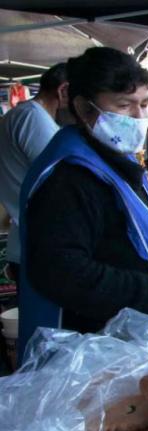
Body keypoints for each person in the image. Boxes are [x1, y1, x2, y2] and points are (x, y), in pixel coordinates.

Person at [17, 47, 148, 360]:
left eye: (144, 104)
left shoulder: (113, 159)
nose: (139, 117)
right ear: (84, 109)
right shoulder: (68, 177)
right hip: (89, 355)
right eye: (124, 105)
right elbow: (61, 271)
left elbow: (124, 237)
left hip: (129, 344)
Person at [0, 63, 69, 278]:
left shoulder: (26, 115)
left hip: (31, 241)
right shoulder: (32, 118)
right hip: (39, 244)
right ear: (64, 91)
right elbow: (64, 178)